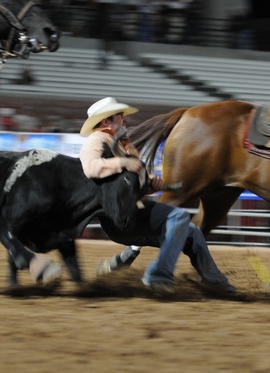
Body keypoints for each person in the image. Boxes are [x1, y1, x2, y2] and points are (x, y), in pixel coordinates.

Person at [78, 97, 236, 296]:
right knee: (178, 216)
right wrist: (124, 163)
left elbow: (135, 183)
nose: (124, 120)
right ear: (105, 122)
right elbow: (90, 168)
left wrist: (151, 182)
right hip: (120, 216)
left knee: (193, 232)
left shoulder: (124, 145)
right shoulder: (97, 139)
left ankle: (215, 282)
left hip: (129, 216)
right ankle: (158, 275)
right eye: (120, 116)